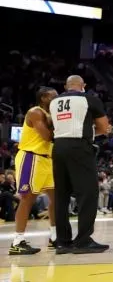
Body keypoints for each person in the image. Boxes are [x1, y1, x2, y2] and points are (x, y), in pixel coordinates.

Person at [50, 75, 110, 254]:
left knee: (61, 195)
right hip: (79, 146)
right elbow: (104, 127)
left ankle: (62, 241)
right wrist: (92, 133)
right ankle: (83, 240)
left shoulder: (54, 102)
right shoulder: (89, 99)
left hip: (58, 146)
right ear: (82, 86)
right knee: (88, 193)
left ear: (66, 86)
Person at [8, 87, 57, 255]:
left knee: (57, 198)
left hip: (47, 160)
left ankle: (55, 237)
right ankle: (18, 241)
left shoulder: (51, 115)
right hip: (32, 157)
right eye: (53, 96)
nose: (57, 98)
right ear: (43, 98)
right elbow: (46, 136)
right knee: (28, 199)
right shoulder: (36, 112)